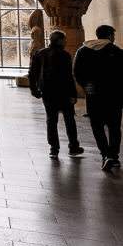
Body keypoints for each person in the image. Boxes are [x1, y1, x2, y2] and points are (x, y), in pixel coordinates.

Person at [73, 25, 123, 170]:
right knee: (114, 127)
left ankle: (105, 155)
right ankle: (114, 157)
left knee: (97, 127)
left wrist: (86, 87)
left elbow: (76, 71)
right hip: (114, 95)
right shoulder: (116, 51)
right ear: (109, 36)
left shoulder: (82, 50)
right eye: (113, 35)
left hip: (93, 95)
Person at [28, 30, 83, 158]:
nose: (66, 42)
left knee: (51, 120)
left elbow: (32, 73)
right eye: (64, 40)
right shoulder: (64, 55)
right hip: (63, 93)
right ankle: (73, 147)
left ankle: (54, 149)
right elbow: (69, 77)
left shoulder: (39, 54)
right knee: (69, 120)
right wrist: (73, 94)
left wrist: (34, 89)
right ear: (59, 40)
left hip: (47, 93)